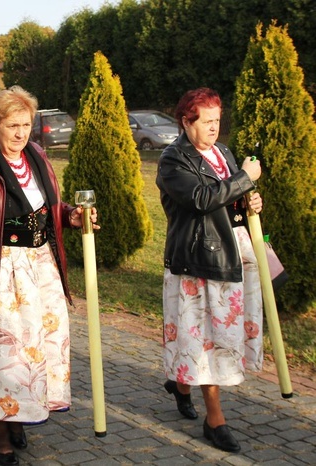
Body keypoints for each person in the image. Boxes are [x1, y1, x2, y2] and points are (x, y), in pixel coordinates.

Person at [0, 86, 98, 466]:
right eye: (12, 125)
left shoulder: (38, 156)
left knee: (36, 348)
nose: (21, 133)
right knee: (3, 353)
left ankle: (21, 412)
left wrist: (70, 216)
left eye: (26, 124)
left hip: (41, 267)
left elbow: (46, 212)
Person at [157, 88, 263, 453]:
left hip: (233, 252)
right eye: (207, 121)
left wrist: (250, 198)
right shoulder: (174, 160)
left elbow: (228, 197)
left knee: (212, 339)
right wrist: (244, 179)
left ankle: (181, 384)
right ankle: (214, 420)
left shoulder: (223, 153)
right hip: (198, 259)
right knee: (206, 341)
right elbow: (202, 199)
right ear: (187, 122)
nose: (215, 128)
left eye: (218, 120)